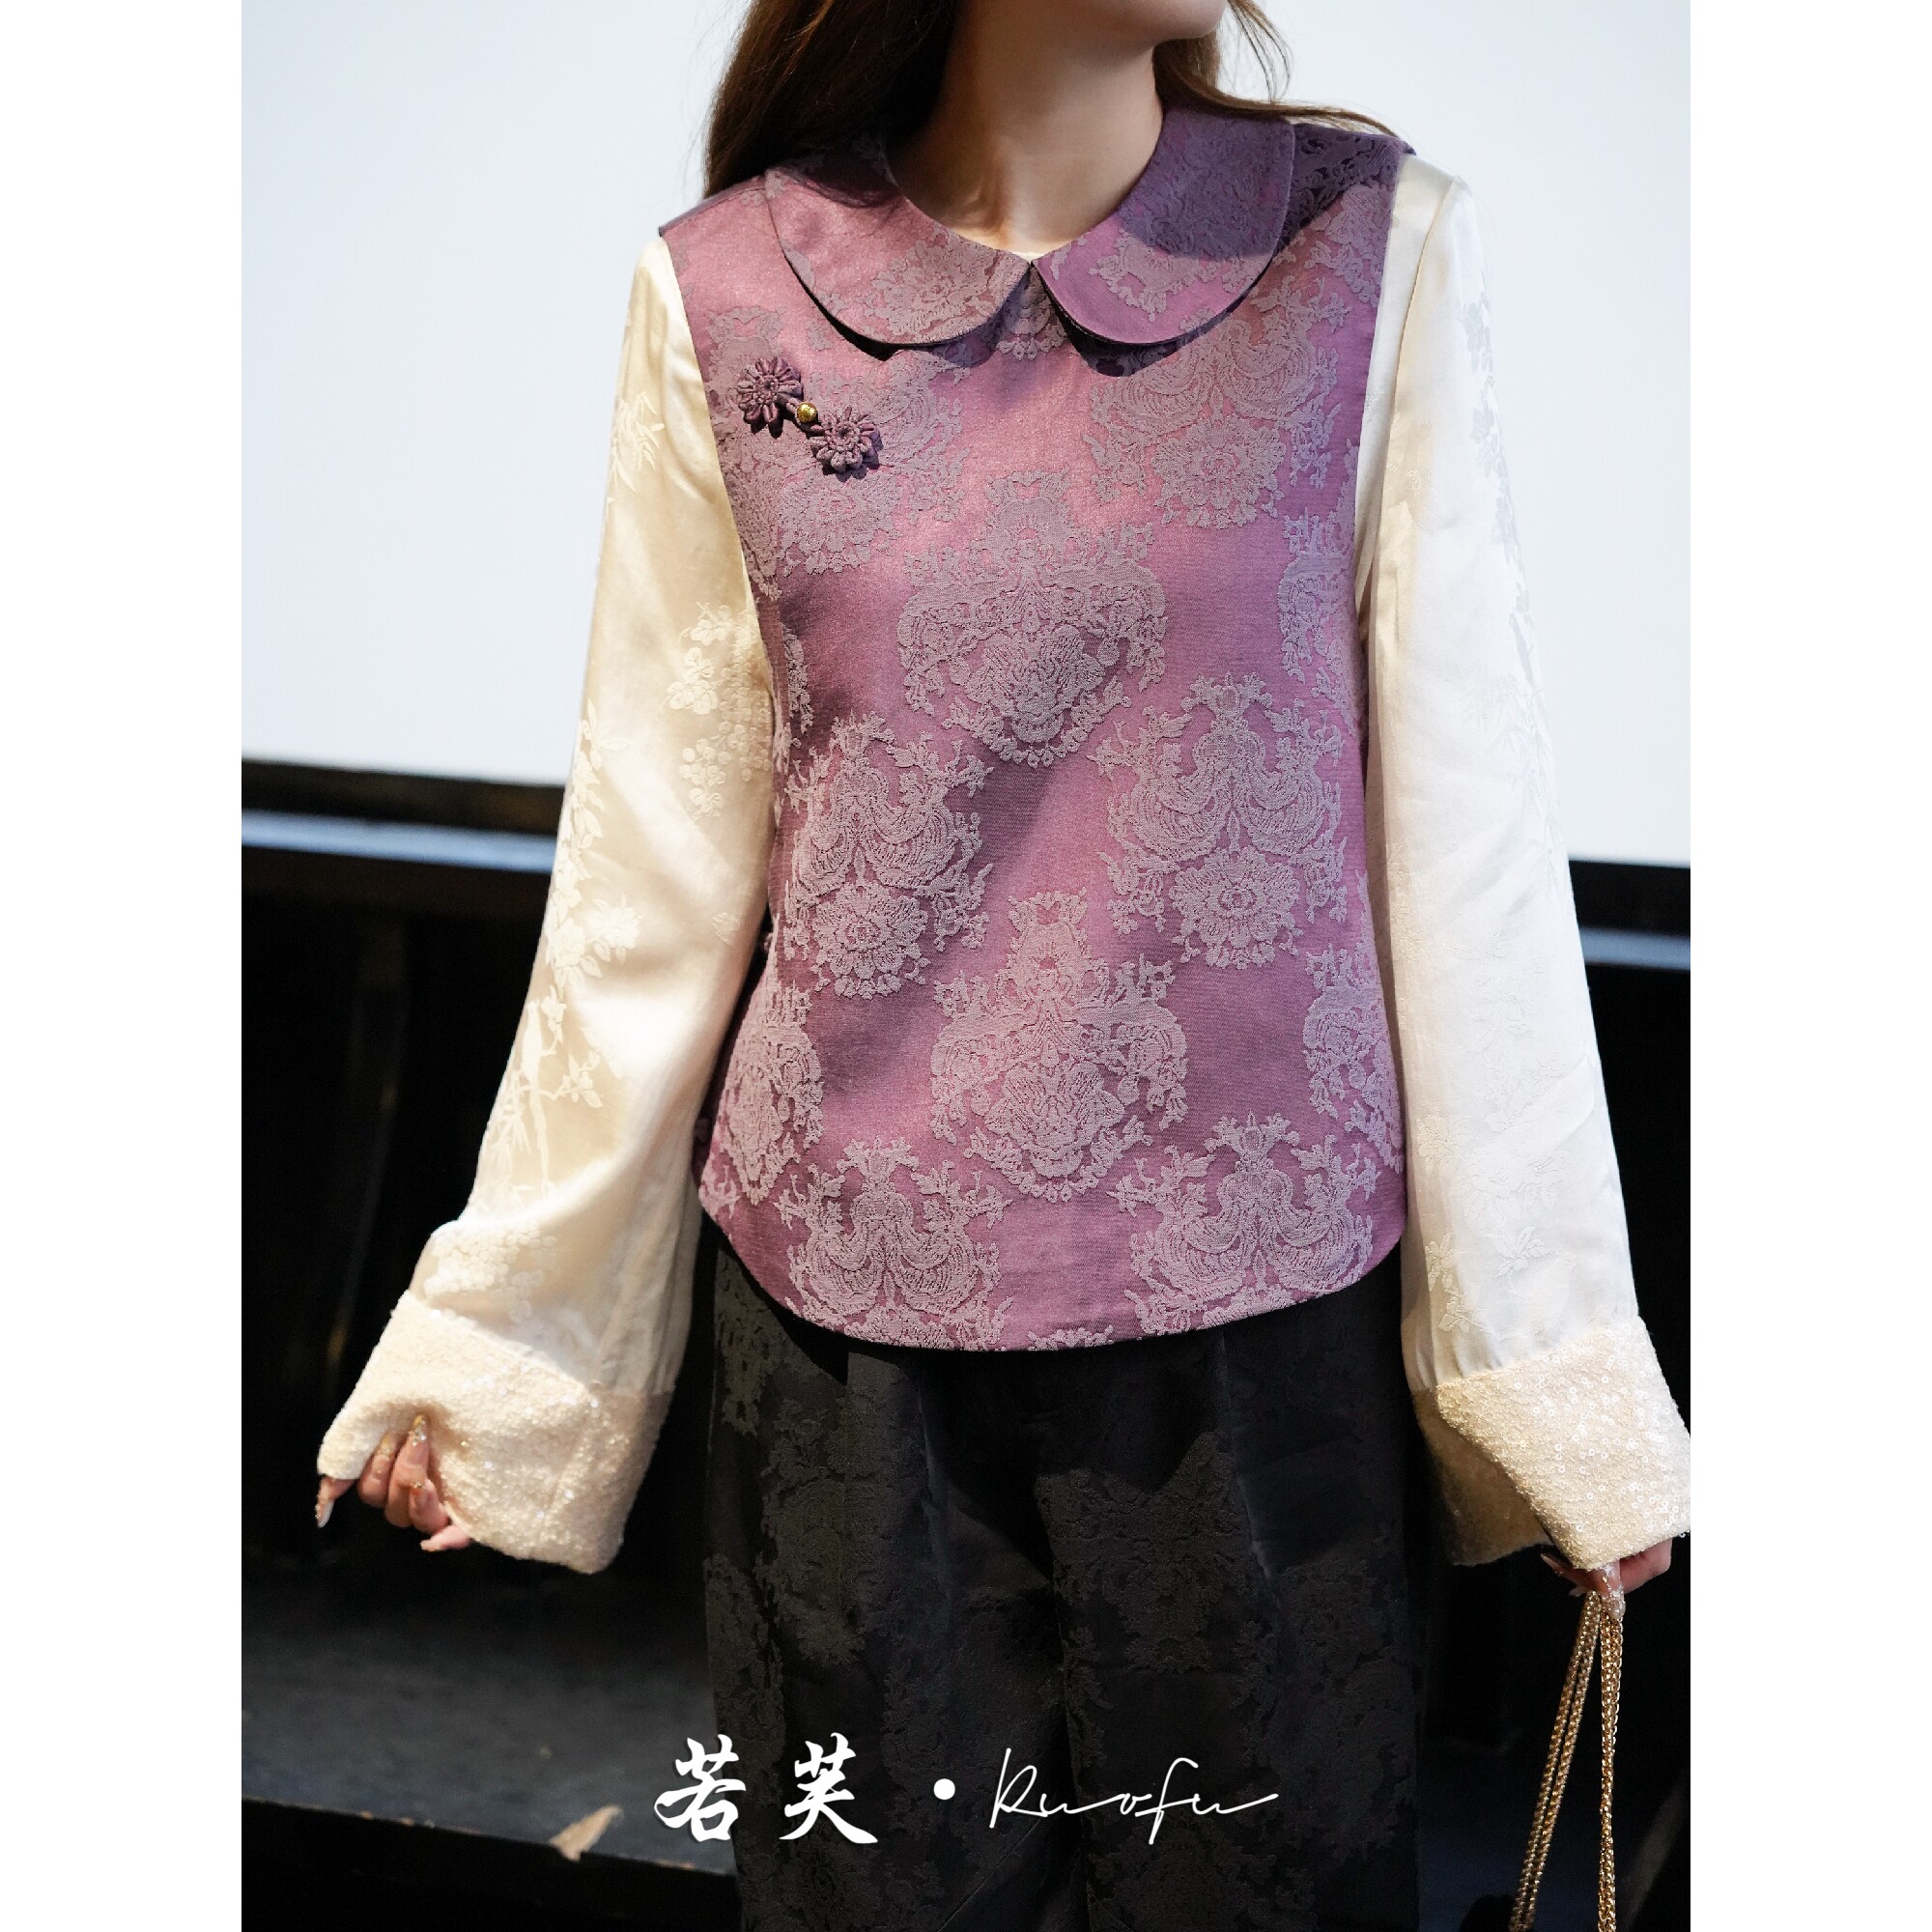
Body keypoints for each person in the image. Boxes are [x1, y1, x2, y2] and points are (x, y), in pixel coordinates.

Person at [315, 3, 1690, 1925]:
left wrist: (1548, 1365)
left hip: (1258, 1341)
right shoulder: (730, 294)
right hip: (843, 1357)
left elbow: (1469, 836)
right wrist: (509, 1340)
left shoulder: (1361, 254)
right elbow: (655, 855)